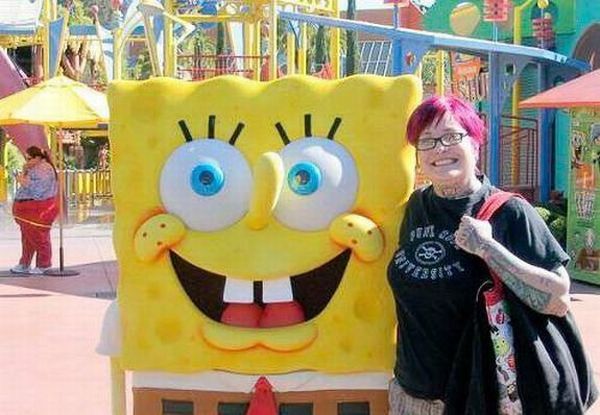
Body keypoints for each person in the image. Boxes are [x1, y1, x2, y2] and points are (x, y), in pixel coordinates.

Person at [387, 96, 574, 414]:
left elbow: (558, 298)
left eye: (451, 136)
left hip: (480, 398)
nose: (439, 149)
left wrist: (488, 248)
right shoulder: (416, 207)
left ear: (475, 144)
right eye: (427, 141)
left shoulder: (509, 212)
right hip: (411, 394)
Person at [10, 146, 58, 275]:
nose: (27, 161)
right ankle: (25, 263)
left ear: (38, 157)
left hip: (36, 209)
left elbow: (38, 191)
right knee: (28, 238)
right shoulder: (35, 168)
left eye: (29, 158)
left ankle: (44, 264)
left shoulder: (44, 169)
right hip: (28, 209)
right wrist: (25, 171)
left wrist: (22, 180)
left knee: (38, 237)